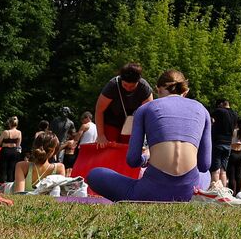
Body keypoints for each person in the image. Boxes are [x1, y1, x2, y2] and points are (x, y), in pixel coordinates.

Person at [87, 69, 212, 202]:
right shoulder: (202, 110)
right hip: (187, 192)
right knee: (206, 174)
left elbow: (132, 160)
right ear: (185, 92)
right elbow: (205, 165)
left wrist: (145, 159)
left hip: (149, 192)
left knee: (94, 174)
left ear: (158, 90)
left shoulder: (145, 109)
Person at [94, 62, 154, 147]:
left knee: (130, 148)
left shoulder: (145, 88)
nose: (128, 88)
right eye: (125, 85)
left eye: (132, 86)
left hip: (131, 124)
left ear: (138, 81)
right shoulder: (113, 86)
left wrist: (144, 140)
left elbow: (148, 114)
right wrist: (101, 135)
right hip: (111, 121)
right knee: (108, 146)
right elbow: (99, 110)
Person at [210, 99, 239, 192]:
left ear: (222, 104)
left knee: (215, 169)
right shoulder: (235, 114)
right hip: (228, 144)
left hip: (218, 142)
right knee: (223, 170)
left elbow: (210, 118)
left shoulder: (219, 111)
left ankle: (215, 191)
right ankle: (224, 191)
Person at [0, 116, 23, 187]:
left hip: (5, 151)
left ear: (9, 124)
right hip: (14, 152)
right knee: (11, 170)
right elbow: (18, 144)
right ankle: (10, 187)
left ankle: (1, 186)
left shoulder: (6, 132)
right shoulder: (19, 133)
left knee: (3, 170)